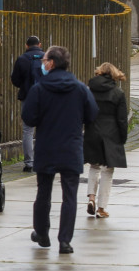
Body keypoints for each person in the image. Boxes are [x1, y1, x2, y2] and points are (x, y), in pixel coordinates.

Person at [22, 46, 98, 254]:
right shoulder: (80, 89)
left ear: (51, 63)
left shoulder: (39, 89)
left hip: (47, 146)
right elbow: (92, 114)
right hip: (71, 147)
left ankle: (42, 232)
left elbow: (28, 117)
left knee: (43, 192)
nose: (42, 62)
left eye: (44, 59)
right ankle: (65, 241)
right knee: (70, 195)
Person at [83, 62, 128, 219]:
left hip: (92, 131)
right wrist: (123, 137)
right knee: (108, 170)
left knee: (94, 166)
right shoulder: (118, 93)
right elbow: (122, 119)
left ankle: (91, 198)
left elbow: (84, 111)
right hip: (111, 133)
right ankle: (101, 208)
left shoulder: (89, 90)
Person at [10, 35, 45, 172]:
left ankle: (29, 163)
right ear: (40, 44)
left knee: (28, 130)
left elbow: (15, 80)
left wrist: (24, 85)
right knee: (44, 129)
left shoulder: (22, 59)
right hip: (45, 97)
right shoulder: (46, 58)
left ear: (26, 45)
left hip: (28, 98)